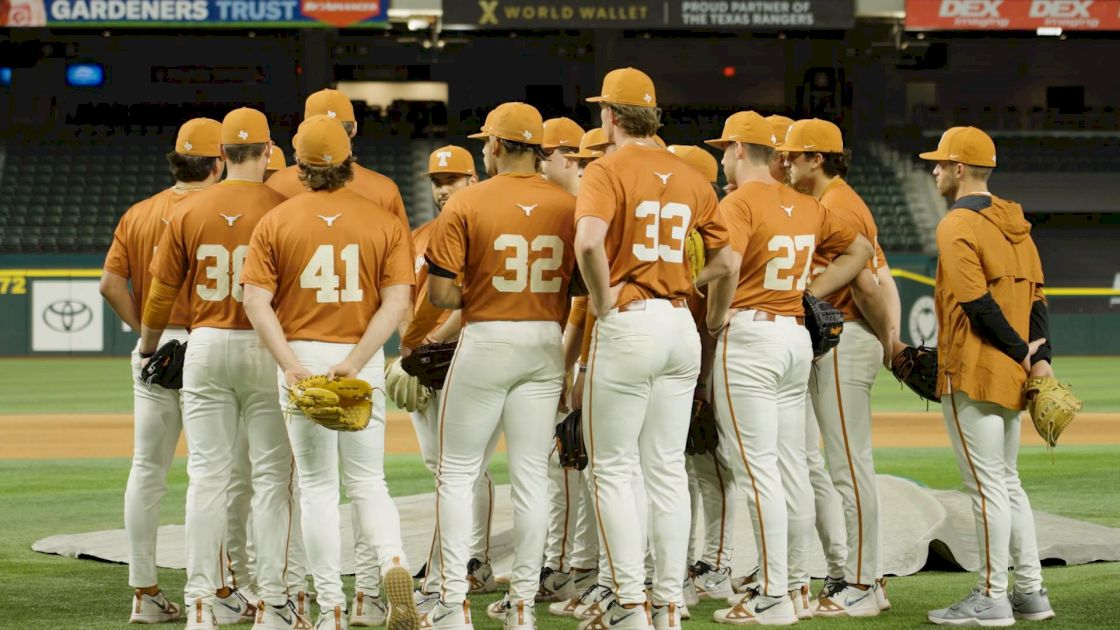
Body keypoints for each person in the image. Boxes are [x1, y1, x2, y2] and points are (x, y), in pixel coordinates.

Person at [241, 116, 420, 630]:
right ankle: (391, 560)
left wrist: (293, 367)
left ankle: (332, 608)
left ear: (298, 165)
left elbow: (256, 302)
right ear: (347, 161)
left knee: (317, 488)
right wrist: (359, 360)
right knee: (369, 482)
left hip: (301, 354)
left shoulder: (276, 220)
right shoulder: (381, 218)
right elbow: (397, 302)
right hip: (354, 357)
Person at [575, 67, 734, 630]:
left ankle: (628, 604)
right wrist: (695, 292)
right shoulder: (691, 177)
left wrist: (601, 299)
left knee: (614, 469)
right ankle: (668, 604)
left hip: (632, 322)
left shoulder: (605, 167)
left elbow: (589, 241)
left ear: (612, 116)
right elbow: (728, 262)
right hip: (678, 327)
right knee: (665, 470)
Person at [704, 111, 873, 626]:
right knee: (791, 468)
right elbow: (861, 249)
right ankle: (796, 584)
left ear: (738, 150)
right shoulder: (805, 204)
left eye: (726, 148)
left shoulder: (737, 202)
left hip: (751, 335)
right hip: (794, 339)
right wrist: (806, 296)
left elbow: (727, 265)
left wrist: (713, 317)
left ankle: (774, 595)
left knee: (756, 472)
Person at [139, 108, 303, 630]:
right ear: (267, 150)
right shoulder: (283, 207)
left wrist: (147, 347)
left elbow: (162, 291)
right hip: (262, 345)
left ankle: (200, 605)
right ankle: (272, 602)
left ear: (222, 155)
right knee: (271, 480)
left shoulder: (188, 209)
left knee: (205, 478)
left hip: (205, 343)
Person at [423, 101, 576, 630]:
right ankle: (522, 608)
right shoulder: (567, 203)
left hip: (487, 335)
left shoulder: (466, 204)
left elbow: (442, 295)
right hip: (545, 341)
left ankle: (450, 601)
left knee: (457, 472)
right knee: (532, 477)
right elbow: (579, 283)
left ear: (492, 146)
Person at [917, 126, 1054, 626]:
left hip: (976, 367)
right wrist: (1040, 358)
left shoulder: (956, 224)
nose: (933, 170)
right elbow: (1037, 296)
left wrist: (1019, 352)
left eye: (939, 163)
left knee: (985, 487)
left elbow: (976, 303)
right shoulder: (1017, 222)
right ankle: (1032, 591)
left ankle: (992, 597)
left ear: (959, 169)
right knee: (1008, 483)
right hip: (1012, 374)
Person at [100, 118, 224, 625]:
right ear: (218, 162)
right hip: (209, 346)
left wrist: (146, 334)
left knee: (147, 471)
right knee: (214, 473)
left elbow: (110, 284)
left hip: (155, 350)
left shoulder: (139, 213)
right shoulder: (222, 213)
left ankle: (144, 593)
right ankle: (214, 590)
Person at [779, 118, 895, 617]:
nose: (784, 162)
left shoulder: (838, 204)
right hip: (842, 337)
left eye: (793, 156)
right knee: (843, 466)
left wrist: (887, 342)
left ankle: (865, 583)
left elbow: (867, 285)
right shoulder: (836, 201)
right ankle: (863, 579)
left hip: (846, 340)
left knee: (849, 467)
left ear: (817, 159)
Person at [397, 145, 497, 612]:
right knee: (441, 467)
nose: (442, 189)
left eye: (452, 180)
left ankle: (473, 560)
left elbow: (476, 298)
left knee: (466, 466)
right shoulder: (419, 236)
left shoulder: (482, 232)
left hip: (463, 355)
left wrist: (434, 342)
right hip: (424, 362)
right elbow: (403, 298)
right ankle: (451, 557)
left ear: (472, 182)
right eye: (437, 181)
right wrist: (408, 351)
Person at [665, 143, 738, 604]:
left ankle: (716, 566)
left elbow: (711, 319)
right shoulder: (684, 234)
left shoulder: (705, 238)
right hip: (687, 358)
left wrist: (704, 381)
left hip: (704, 361)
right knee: (689, 469)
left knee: (714, 466)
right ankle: (696, 563)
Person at [267, 89, 411, 238]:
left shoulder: (276, 184)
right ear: (354, 128)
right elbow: (404, 255)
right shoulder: (385, 190)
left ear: (306, 130)